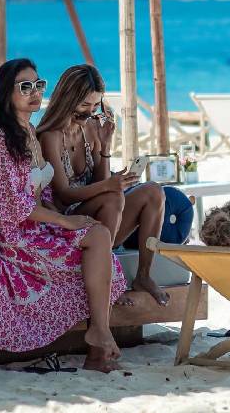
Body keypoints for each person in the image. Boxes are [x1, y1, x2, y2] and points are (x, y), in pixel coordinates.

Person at [0, 59, 127, 373]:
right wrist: (66, 221)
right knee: (97, 242)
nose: (35, 92)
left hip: (41, 226)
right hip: (17, 237)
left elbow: (42, 193)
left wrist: (65, 218)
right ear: (6, 93)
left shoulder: (29, 132)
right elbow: (11, 207)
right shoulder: (1, 139)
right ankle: (99, 339)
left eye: (39, 84)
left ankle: (98, 339)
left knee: (99, 235)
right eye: (25, 86)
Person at [37, 65, 169, 306]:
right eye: (84, 105)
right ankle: (108, 281)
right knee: (114, 196)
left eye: (95, 105)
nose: (90, 112)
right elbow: (64, 195)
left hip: (102, 219)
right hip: (67, 222)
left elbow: (100, 182)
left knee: (153, 191)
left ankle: (143, 276)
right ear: (68, 99)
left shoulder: (90, 128)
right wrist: (110, 185)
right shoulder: (50, 137)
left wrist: (106, 148)